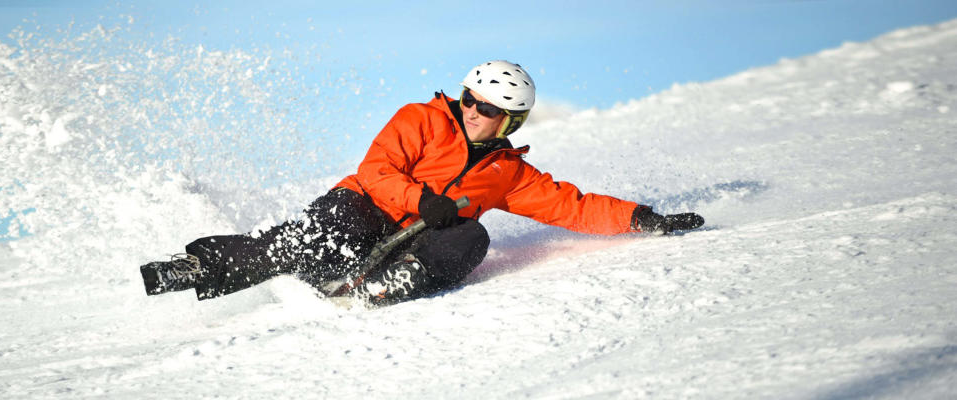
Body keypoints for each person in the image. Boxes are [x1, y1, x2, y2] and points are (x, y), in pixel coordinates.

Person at [140, 60, 704, 306]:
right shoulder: (422, 118)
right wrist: (422, 200)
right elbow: (375, 171)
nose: (473, 112)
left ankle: (382, 290)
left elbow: (570, 207)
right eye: (470, 100)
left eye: (488, 109)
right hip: (361, 208)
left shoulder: (507, 172)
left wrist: (643, 219)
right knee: (311, 239)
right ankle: (197, 268)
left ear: (512, 121)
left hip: (415, 240)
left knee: (472, 238)